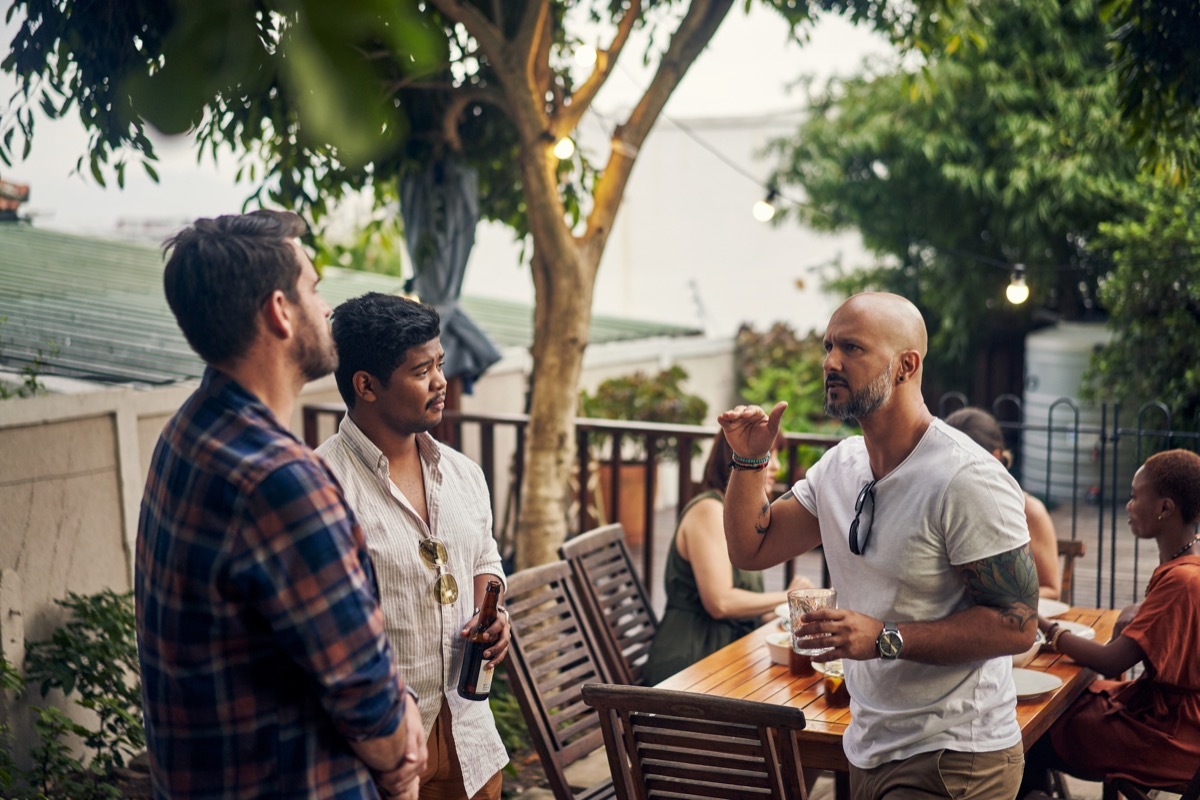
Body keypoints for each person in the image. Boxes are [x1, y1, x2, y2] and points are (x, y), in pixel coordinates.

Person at [136, 211, 426, 799]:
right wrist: (402, 749)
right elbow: (372, 708)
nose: (325, 309)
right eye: (313, 289)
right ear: (279, 311)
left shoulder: (185, 434)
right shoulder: (283, 483)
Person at [718, 292, 1039, 799]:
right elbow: (750, 550)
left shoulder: (966, 476)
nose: (830, 362)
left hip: (953, 755)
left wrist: (883, 637)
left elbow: (1018, 624)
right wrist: (749, 462)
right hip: (868, 744)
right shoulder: (837, 467)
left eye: (851, 348)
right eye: (827, 347)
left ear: (906, 365)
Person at [316, 292, 509, 800]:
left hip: (472, 742)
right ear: (366, 385)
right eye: (422, 370)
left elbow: (484, 558)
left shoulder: (463, 473)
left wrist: (494, 613)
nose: (442, 381)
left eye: (440, 364)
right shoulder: (321, 488)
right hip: (384, 758)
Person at [1023, 449, 1200, 790]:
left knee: (1034, 731)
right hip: (1169, 718)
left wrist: (1044, 624)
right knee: (1068, 699)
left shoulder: (1183, 580)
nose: (1128, 506)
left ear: (1165, 508)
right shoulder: (1186, 567)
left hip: (1170, 735)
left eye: (1135, 497)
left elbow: (1111, 660)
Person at [643, 431, 811, 685]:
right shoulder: (709, 511)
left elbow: (742, 605)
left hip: (726, 655)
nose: (776, 465)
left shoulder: (740, 520)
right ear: (736, 458)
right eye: (769, 455)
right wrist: (790, 598)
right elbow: (720, 603)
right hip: (691, 663)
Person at [945, 407, 1063, 599]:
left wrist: (1000, 603)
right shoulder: (947, 508)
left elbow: (1051, 589)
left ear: (995, 457)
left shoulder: (1030, 511)